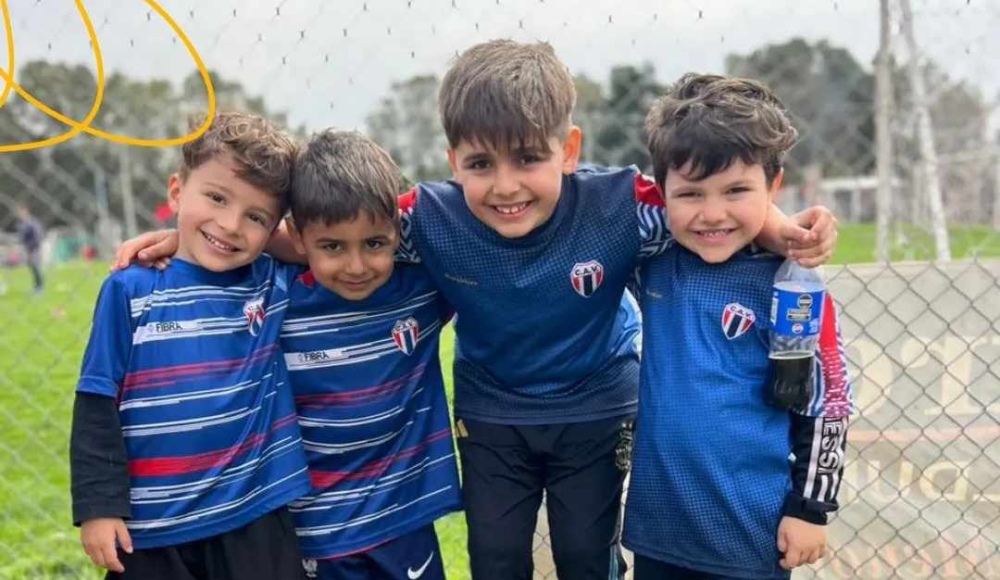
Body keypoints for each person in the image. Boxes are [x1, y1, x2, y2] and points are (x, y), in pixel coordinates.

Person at [112, 40, 839, 580]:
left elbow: (704, 210)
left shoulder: (621, 205)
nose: (506, 185)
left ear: (569, 149)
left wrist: (782, 229)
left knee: (587, 554)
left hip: (593, 409)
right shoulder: (423, 221)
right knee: (495, 557)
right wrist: (201, 240)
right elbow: (331, 238)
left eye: (528, 158)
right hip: (492, 417)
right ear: (451, 158)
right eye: (480, 164)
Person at [623, 73, 854, 580]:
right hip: (659, 534)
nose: (712, 214)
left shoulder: (796, 291)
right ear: (663, 193)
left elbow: (829, 400)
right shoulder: (655, 260)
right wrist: (768, 222)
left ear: (774, 187)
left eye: (736, 191)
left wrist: (811, 507)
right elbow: (600, 198)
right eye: (690, 194)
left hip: (751, 537)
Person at [70, 112, 311, 580]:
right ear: (177, 191)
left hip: (255, 514)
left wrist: (254, 238)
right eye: (216, 198)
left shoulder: (271, 283)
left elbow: (320, 245)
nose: (230, 224)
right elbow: (97, 399)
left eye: (255, 217)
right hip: (153, 529)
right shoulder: (130, 289)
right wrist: (99, 507)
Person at [281, 130, 462, 580]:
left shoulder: (423, 288)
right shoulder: (273, 302)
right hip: (314, 532)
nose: (357, 266)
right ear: (298, 237)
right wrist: (174, 243)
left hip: (404, 521)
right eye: (333, 247)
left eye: (374, 244)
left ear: (398, 233)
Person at [17, 205, 44, 294]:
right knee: (32, 268)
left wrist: (32, 246)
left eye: (22, 212)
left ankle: (40, 287)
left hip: (34, 248)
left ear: (26, 211)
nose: (20, 214)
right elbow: (22, 238)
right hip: (27, 249)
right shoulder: (21, 224)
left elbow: (37, 236)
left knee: (36, 267)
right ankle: (36, 286)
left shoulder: (32, 222)